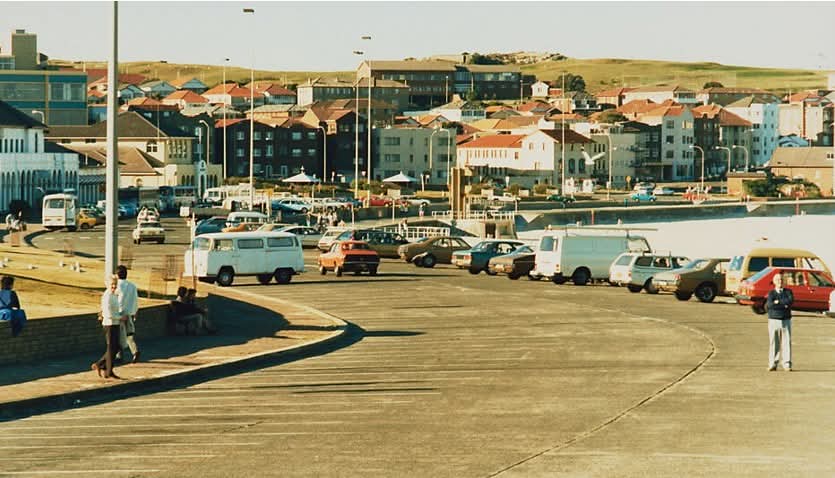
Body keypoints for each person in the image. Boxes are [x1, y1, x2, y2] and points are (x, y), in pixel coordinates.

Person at [93, 275, 123, 379]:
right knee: (111, 347)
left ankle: (101, 365)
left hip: (115, 323)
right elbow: (108, 313)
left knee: (116, 347)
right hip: (109, 324)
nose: (114, 286)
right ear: (107, 284)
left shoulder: (114, 295)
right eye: (112, 284)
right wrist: (120, 317)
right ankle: (108, 370)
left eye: (115, 284)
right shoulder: (107, 296)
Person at [766, 273, 793, 372]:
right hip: (774, 320)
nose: (780, 281)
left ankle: (787, 364)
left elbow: (790, 302)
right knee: (774, 343)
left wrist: (777, 302)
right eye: (777, 280)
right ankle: (772, 363)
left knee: (787, 342)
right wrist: (783, 304)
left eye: (781, 279)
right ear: (774, 282)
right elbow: (770, 305)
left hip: (786, 320)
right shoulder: (771, 293)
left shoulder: (788, 292)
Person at [116, 265, 141, 363]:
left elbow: (118, 300)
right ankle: (135, 351)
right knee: (129, 335)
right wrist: (135, 311)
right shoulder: (132, 286)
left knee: (118, 335)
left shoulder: (117, 286)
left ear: (117, 274)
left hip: (119, 313)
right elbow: (135, 300)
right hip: (129, 312)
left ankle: (119, 355)